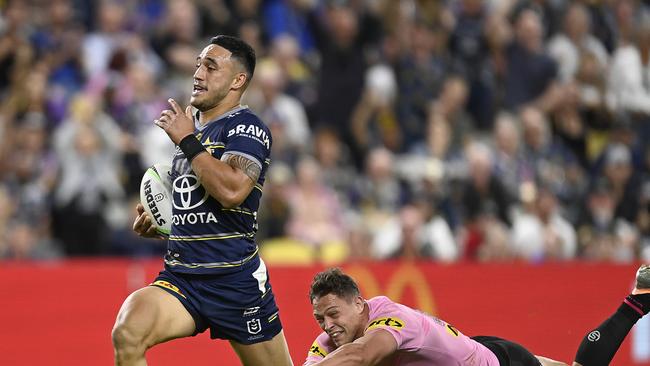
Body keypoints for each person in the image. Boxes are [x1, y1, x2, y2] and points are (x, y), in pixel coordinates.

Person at [111, 35, 293, 366]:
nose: (198, 73)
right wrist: (167, 225)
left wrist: (186, 140)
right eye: (198, 64)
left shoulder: (247, 128)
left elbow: (232, 191)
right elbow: (202, 204)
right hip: (182, 278)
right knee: (128, 331)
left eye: (210, 66)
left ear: (238, 80)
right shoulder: (193, 133)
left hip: (234, 282)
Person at [304, 266, 650, 366]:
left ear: (360, 304)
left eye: (333, 314)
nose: (328, 326)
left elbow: (362, 356)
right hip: (474, 348)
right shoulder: (333, 338)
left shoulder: (390, 321)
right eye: (321, 320)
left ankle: (636, 303)